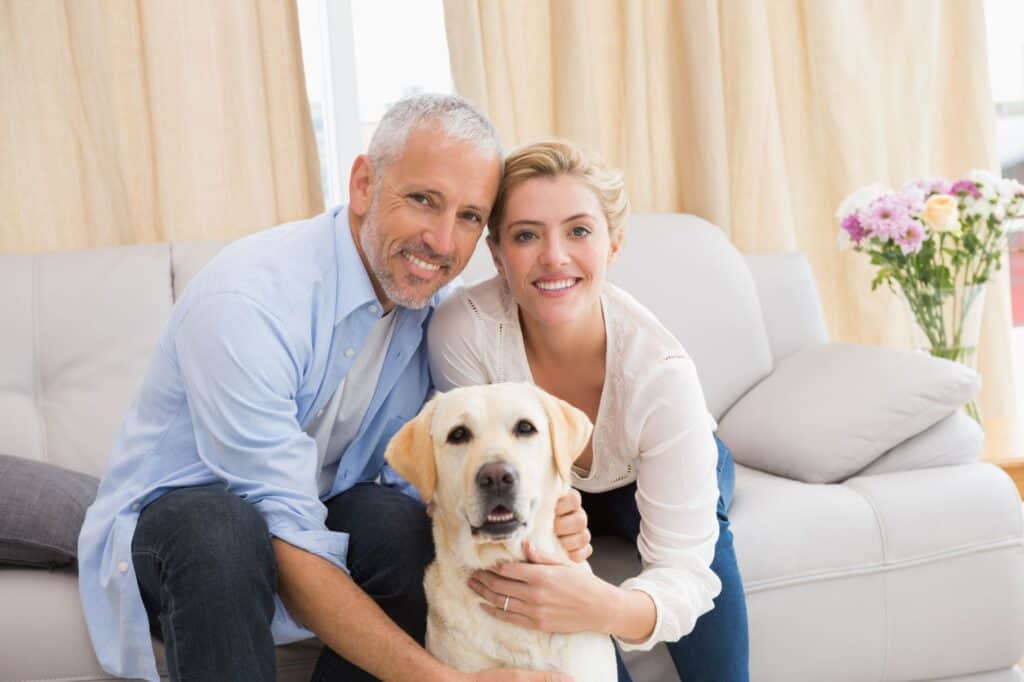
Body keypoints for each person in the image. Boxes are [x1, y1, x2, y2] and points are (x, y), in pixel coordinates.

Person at [77, 95, 589, 682]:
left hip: (309, 513)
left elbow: (459, 470)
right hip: (178, 538)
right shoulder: (248, 305)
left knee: (397, 525)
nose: (443, 242)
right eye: (423, 200)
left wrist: (555, 510)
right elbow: (281, 529)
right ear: (364, 184)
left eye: (470, 216)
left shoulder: (432, 313)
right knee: (223, 529)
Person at [428, 139, 751, 681]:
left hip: (637, 470)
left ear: (614, 244)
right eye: (527, 235)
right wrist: (555, 518)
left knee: (703, 544)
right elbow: (469, 471)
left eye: (579, 231)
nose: (554, 256)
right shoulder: (465, 330)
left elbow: (684, 574)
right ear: (497, 254)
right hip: (542, 484)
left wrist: (602, 605)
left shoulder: (661, 373)